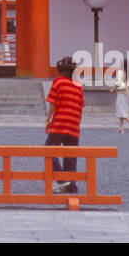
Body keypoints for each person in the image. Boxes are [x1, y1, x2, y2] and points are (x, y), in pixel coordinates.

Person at [44, 55, 85, 194]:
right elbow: (81, 106)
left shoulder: (58, 81)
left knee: (48, 150)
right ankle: (71, 184)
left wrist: (47, 120)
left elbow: (53, 103)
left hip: (60, 122)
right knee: (70, 155)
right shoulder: (78, 85)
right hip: (74, 123)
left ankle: (62, 180)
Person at [110, 65, 129, 133]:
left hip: (121, 93)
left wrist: (113, 88)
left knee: (120, 110)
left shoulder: (120, 72)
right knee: (122, 109)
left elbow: (118, 82)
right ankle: (121, 128)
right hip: (127, 92)